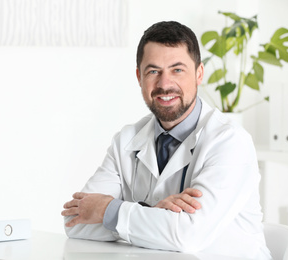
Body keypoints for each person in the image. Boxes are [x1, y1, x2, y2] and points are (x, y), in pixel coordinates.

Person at [61, 21, 272, 259]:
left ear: (199, 73)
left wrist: (109, 210)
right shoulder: (126, 141)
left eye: (177, 70)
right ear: (139, 77)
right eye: (153, 71)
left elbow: (188, 235)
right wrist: (151, 212)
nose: (164, 84)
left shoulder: (230, 142)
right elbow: (75, 222)